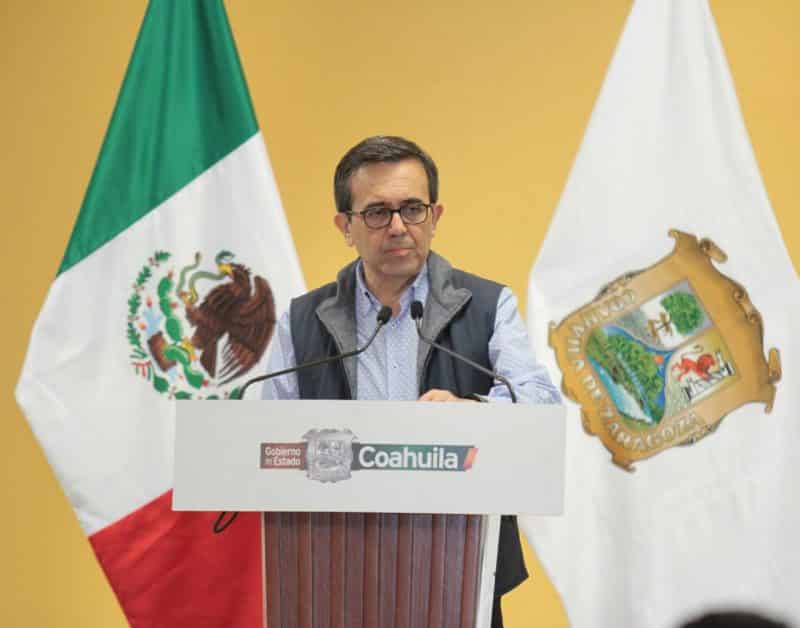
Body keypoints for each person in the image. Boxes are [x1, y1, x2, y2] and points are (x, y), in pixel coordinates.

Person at [262, 135, 560, 627]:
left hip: (459, 566)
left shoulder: (488, 305)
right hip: (333, 570)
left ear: (435, 217)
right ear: (345, 227)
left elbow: (541, 405)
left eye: (413, 209)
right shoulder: (302, 320)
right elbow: (270, 442)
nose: (399, 226)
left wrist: (474, 413)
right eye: (377, 212)